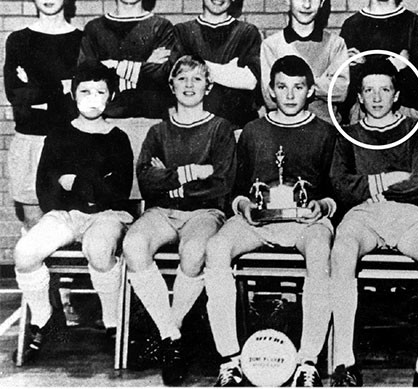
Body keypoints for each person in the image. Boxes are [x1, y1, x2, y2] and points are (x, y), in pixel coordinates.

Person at [205, 55, 336, 387]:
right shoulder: (253, 130)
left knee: (321, 253)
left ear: (311, 91)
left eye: (298, 87)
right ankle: (230, 360)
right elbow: (235, 187)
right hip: (258, 221)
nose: (290, 95)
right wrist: (243, 203)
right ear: (271, 91)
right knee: (217, 247)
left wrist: (322, 205)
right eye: (282, 87)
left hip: (306, 222)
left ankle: (308, 361)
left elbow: (338, 190)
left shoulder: (325, 133)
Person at [329, 58, 418, 387]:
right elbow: (340, 183)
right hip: (364, 214)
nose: (377, 97)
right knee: (341, 252)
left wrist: (374, 182)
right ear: (360, 96)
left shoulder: (416, 131)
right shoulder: (349, 134)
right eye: (369, 90)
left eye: (384, 89)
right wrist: (386, 180)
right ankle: (345, 363)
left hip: (408, 215)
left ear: (397, 95)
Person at [122, 55, 236, 386]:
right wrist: (191, 173)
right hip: (160, 211)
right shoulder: (158, 131)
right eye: (182, 79)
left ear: (209, 86)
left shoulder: (220, 128)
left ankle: (169, 333)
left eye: (197, 79)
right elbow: (146, 180)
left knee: (195, 252)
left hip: (204, 212)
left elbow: (222, 183)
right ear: (171, 86)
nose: (189, 85)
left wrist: (169, 177)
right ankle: (172, 336)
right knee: (134, 243)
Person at [13, 63, 133, 364]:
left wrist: (76, 181)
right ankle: (46, 319)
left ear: (111, 95)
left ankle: (112, 321)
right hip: (65, 215)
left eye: (100, 91)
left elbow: (116, 194)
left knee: (99, 248)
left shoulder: (118, 138)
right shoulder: (58, 135)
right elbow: (47, 191)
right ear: (73, 95)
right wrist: (93, 183)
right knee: (25, 252)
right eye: (85, 91)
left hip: (107, 215)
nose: (92, 98)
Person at [78, 0, 176, 193]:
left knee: (149, 208)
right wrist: (143, 68)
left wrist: (114, 67)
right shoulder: (95, 29)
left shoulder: (161, 27)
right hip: (106, 128)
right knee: (109, 206)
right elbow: (87, 77)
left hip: (151, 128)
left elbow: (162, 75)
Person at [4, 0, 82, 234]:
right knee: (34, 225)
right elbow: (17, 97)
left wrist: (38, 85)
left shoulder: (81, 40)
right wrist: (60, 87)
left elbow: (82, 101)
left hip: (71, 142)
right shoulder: (19, 40)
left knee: (72, 225)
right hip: (30, 142)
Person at [339, 0, 418, 124]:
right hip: (363, 116)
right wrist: (350, 67)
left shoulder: (414, 23)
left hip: (405, 113)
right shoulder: (352, 25)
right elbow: (345, 90)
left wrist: (404, 70)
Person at [175, 0, 262, 130]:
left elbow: (250, 81)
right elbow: (178, 78)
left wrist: (197, 65)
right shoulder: (183, 32)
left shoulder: (247, 33)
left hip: (237, 128)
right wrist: (228, 72)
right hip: (193, 130)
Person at [261, 0, 349, 124]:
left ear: (322, 2)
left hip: (327, 129)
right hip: (284, 129)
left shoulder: (336, 44)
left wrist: (289, 83)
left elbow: (340, 90)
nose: (307, 5)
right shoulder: (271, 45)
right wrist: (321, 83)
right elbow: (270, 99)